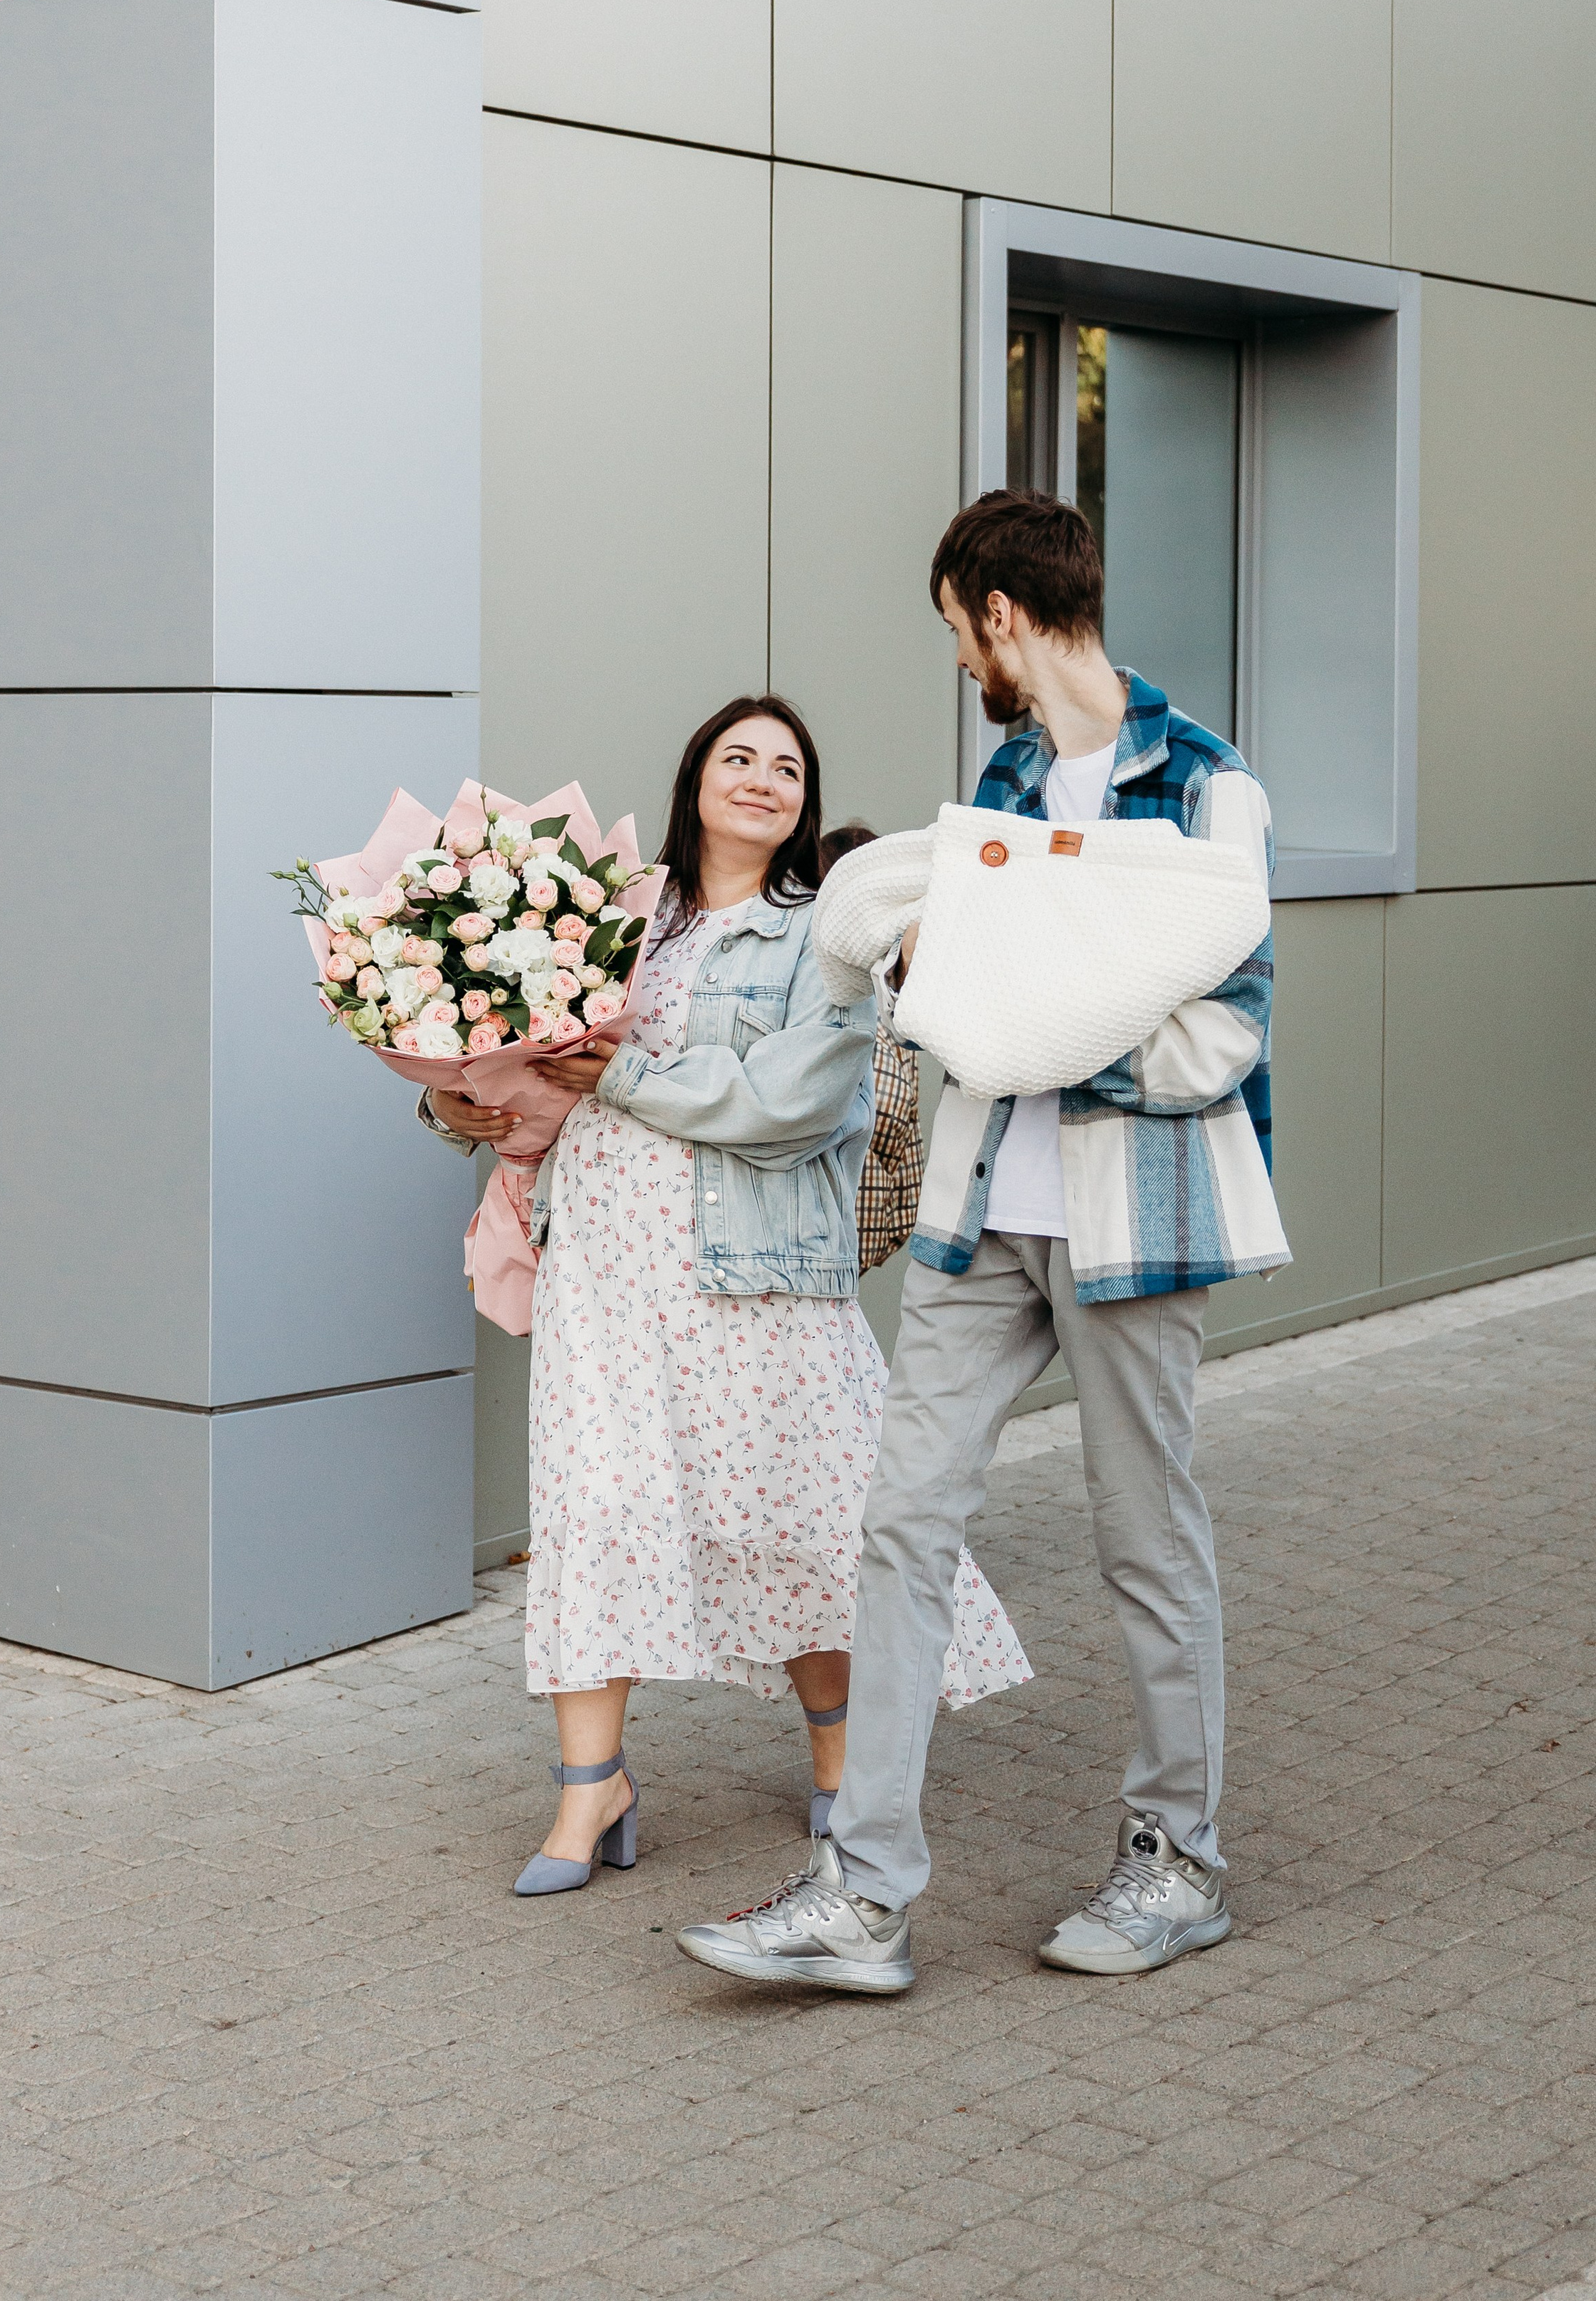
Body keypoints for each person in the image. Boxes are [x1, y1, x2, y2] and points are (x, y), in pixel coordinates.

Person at [678, 495, 1288, 1992]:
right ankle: (864, 1893)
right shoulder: (1006, 778)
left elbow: (1225, 1033)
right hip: (977, 1218)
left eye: (957, 630)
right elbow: (977, 968)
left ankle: (1178, 1860)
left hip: (1127, 1218)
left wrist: (1032, 1028)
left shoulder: (1205, 790)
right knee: (900, 1526)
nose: (958, 660)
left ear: (1001, 614)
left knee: (1144, 1540)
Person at [423, 696, 1029, 1896]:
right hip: (603, 1260)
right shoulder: (604, 919)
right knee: (597, 1511)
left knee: (797, 1515)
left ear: (805, 803)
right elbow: (503, 1053)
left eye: (787, 767)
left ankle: (840, 1751)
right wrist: (456, 1103)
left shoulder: (828, 938)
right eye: (738, 757)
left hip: (754, 1273)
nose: (761, 779)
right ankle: (590, 1791)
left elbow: (792, 1105)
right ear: (697, 775)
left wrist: (631, 1075)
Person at [820, 825, 923, 1276]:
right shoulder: (882, 1014)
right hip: (838, 1237)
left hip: (849, 1244)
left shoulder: (896, 1010)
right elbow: (905, 1165)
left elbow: (907, 1166)